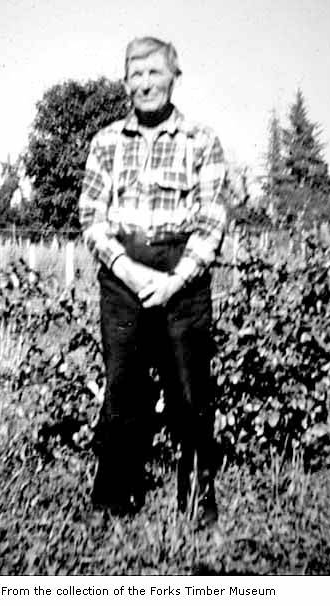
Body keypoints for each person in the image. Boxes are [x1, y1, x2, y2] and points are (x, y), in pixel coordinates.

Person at [79, 36, 227, 526]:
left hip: (181, 276)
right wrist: (126, 267)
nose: (145, 84)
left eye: (154, 73)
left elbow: (211, 224)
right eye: (135, 74)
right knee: (123, 388)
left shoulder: (201, 140)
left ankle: (197, 497)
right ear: (125, 83)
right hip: (121, 276)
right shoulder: (104, 142)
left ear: (174, 78)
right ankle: (114, 497)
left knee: (189, 391)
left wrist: (174, 280)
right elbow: (91, 217)